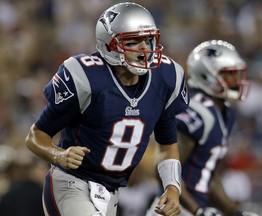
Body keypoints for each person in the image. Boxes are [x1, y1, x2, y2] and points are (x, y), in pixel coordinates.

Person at [25, 2, 189, 216]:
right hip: (71, 183)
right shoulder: (87, 77)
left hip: (111, 193)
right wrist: (58, 155)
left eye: (147, 40)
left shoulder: (166, 78)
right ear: (110, 45)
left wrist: (172, 187)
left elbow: (167, 145)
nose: (144, 49)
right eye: (133, 41)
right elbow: (35, 136)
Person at [175, 40, 259, 216]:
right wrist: (197, 210)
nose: (237, 81)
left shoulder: (225, 113)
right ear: (205, 75)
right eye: (229, 75)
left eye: (238, 74)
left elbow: (207, 175)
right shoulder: (194, 110)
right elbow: (165, 171)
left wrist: (234, 212)